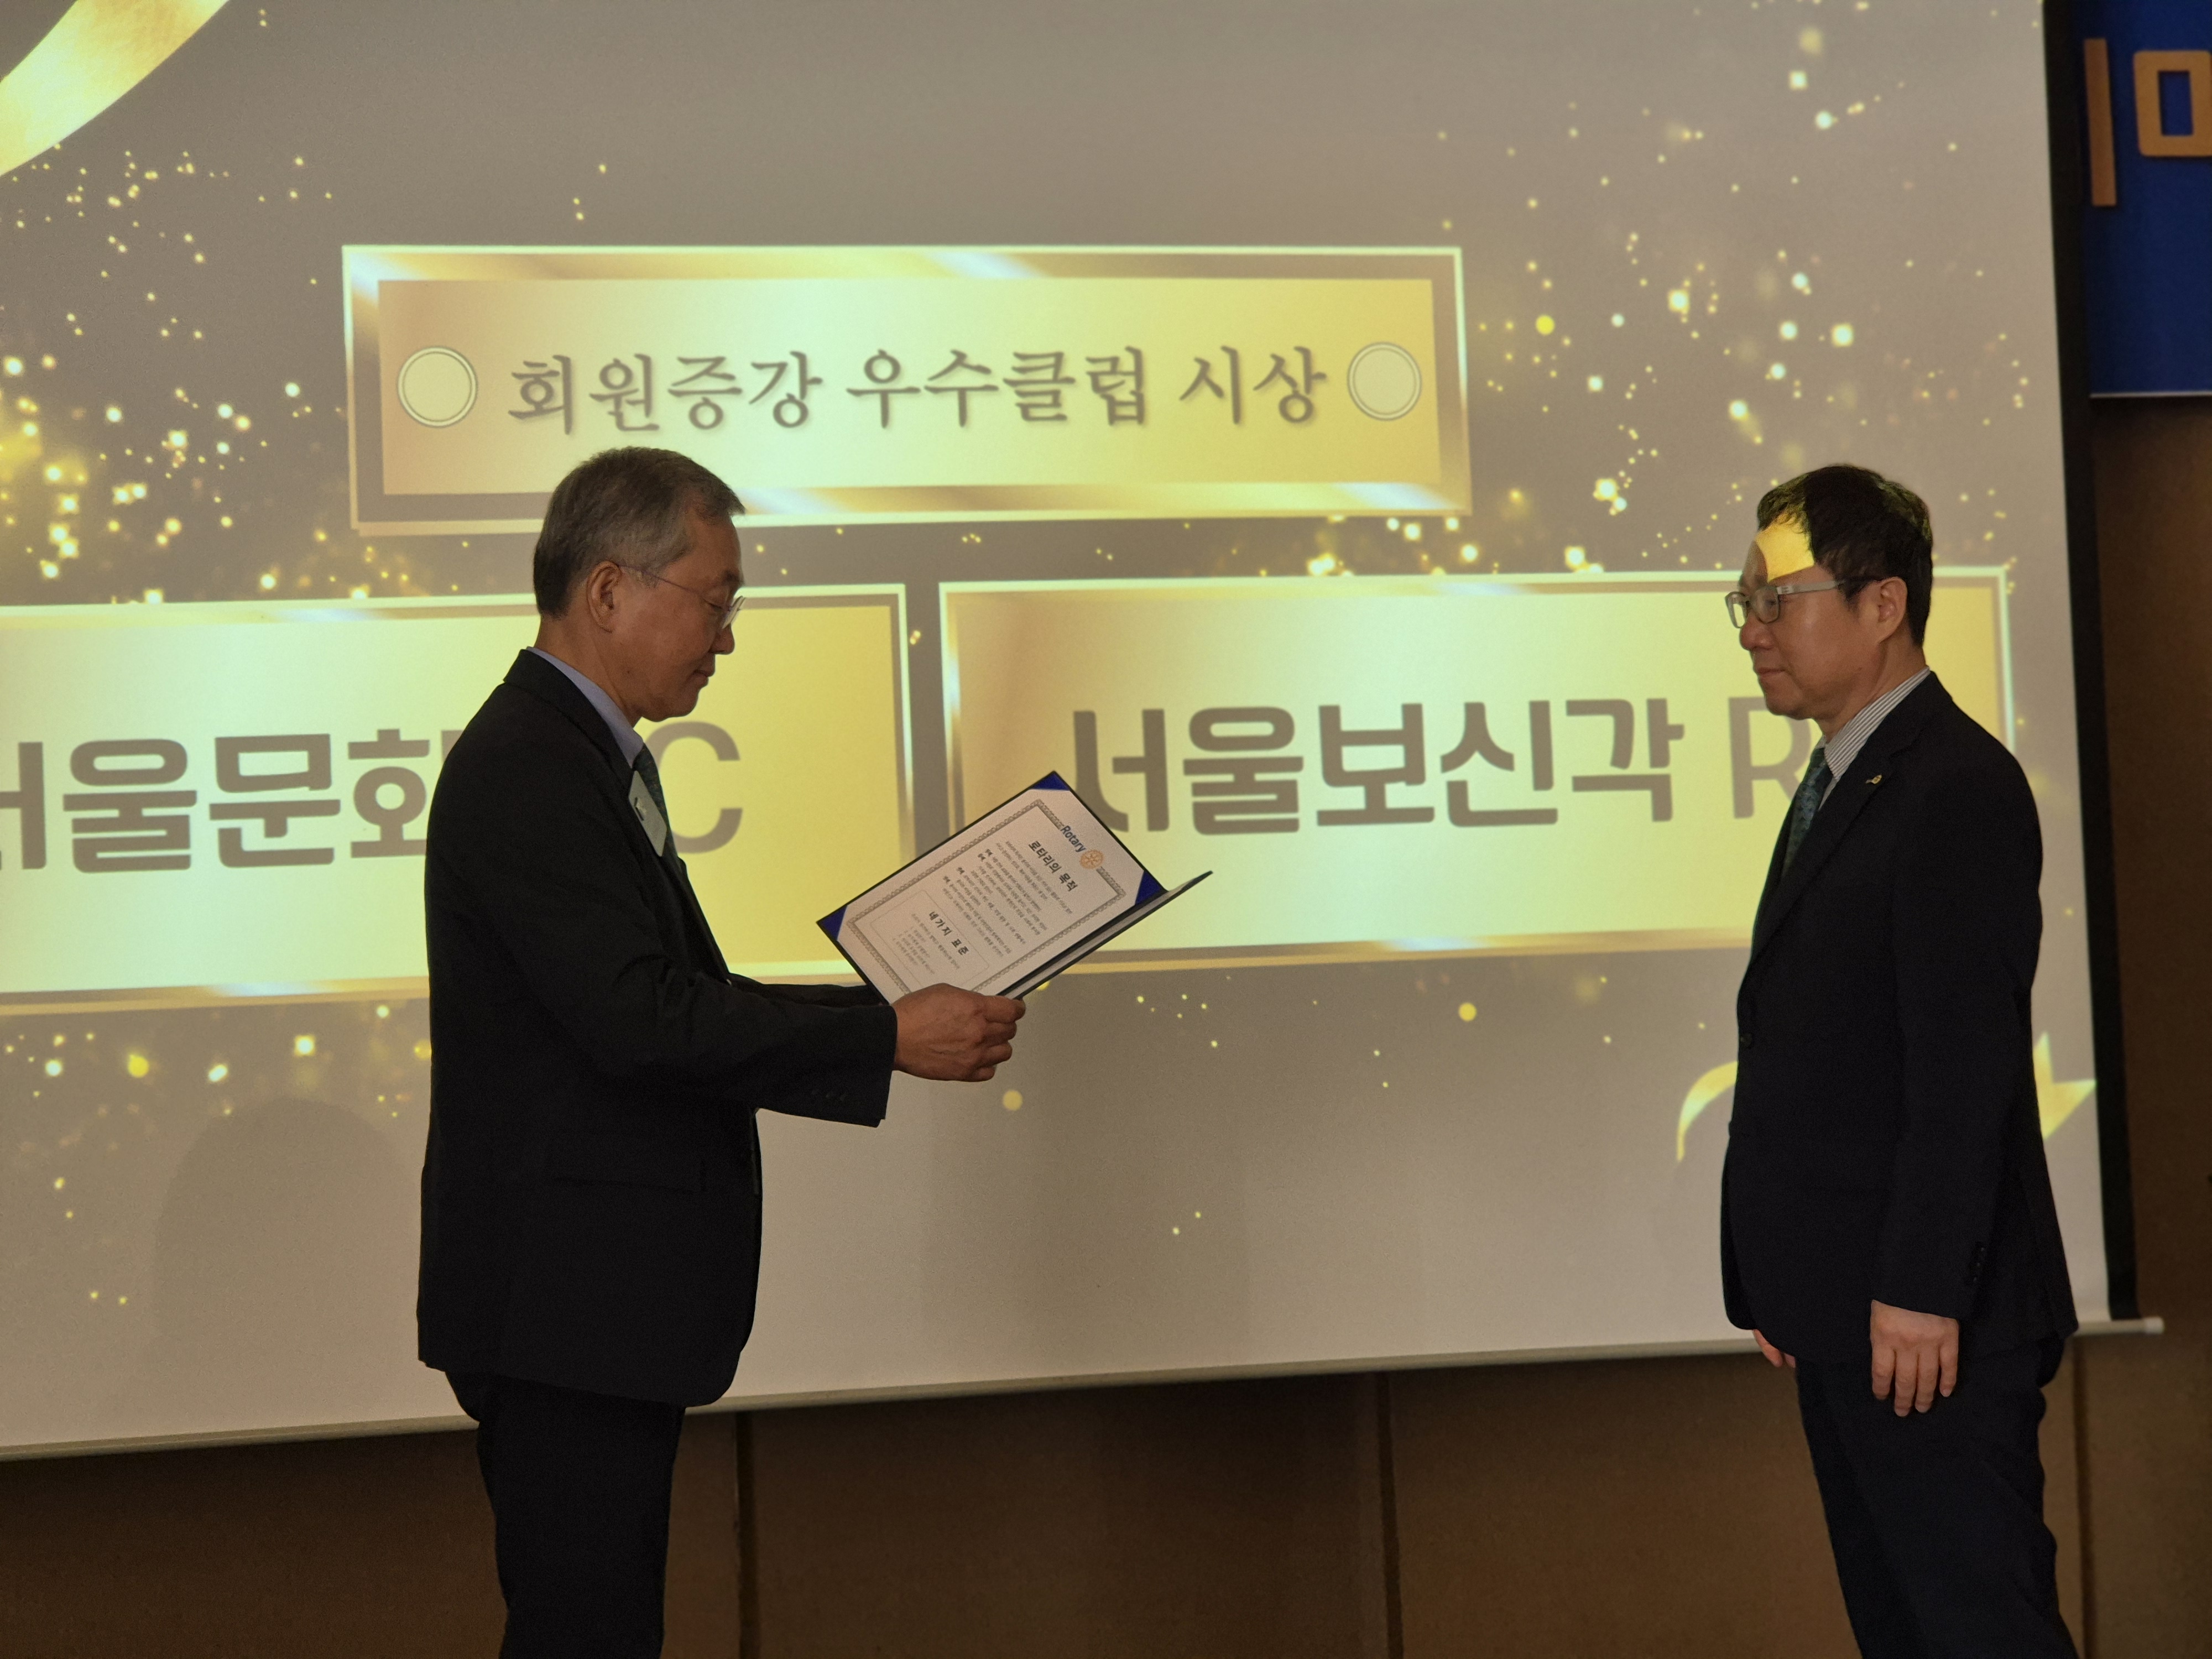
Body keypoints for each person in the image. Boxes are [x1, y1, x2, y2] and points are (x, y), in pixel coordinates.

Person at [418, 446, 1025, 1657]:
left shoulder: (579, 752)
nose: (728, 639)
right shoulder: (531, 764)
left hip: (585, 1308)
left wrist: (882, 1019)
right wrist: (882, 1035)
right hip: (565, 1309)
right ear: (609, 590)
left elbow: (667, 999)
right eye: (716, 599)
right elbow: (640, 1020)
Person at [1721, 463, 2078, 1657]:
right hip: (1849, 1304)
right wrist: (1784, 1270)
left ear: (1884, 604)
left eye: (1777, 599)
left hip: (1928, 1323)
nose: (1753, 629)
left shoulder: (1954, 784)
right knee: (1903, 1632)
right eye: (1743, 604)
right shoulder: (1846, 776)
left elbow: (1963, 1064)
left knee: (1978, 1630)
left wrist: (1921, 1287)